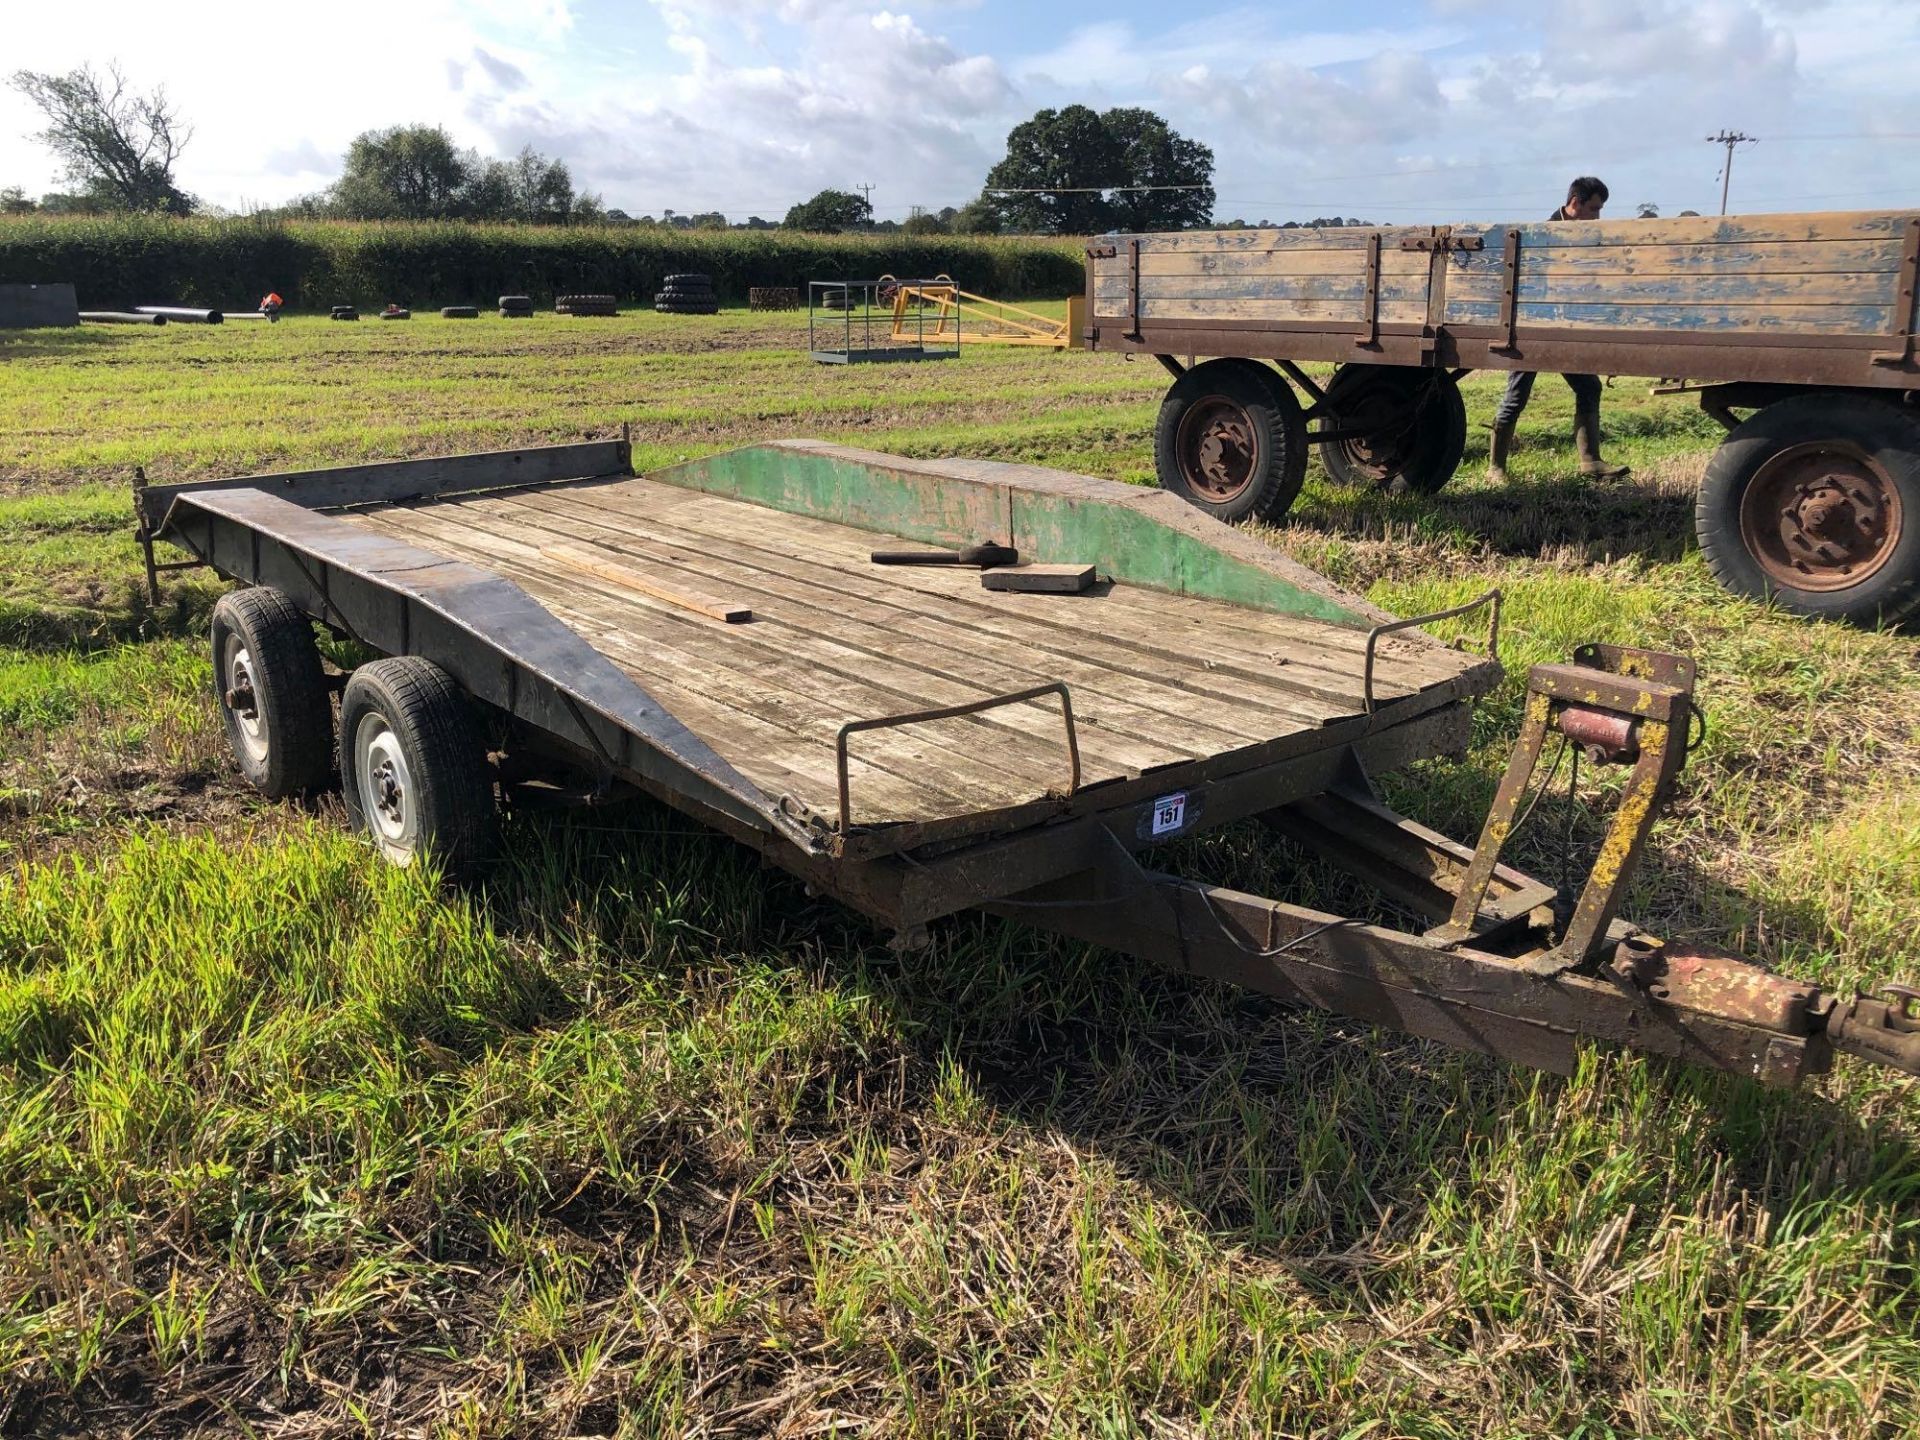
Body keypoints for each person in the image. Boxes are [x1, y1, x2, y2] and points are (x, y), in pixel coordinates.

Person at [1486, 176, 1630, 483]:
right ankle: (1495, 467)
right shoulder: (1543, 235)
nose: (1598, 217)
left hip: (1564, 329)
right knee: (1516, 396)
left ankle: (1590, 461)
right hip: (1533, 330)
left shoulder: (1586, 239)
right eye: (1594, 208)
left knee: (1589, 387)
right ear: (1575, 203)